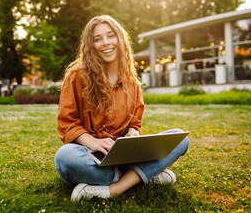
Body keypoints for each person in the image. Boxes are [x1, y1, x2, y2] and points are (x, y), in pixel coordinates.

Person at [54, 15, 189, 201]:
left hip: (123, 156)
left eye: (111, 36)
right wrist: (94, 142)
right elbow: (67, 124)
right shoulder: (76, 76)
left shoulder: (132, 83)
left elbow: (135, 122)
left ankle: (115, 188)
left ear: (120, 39)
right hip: (90, 157)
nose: (106, 43)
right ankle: (140, 176)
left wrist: (133, 132)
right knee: (65, 157)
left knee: (180, 138)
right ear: (90, 45)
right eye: (98, 39)